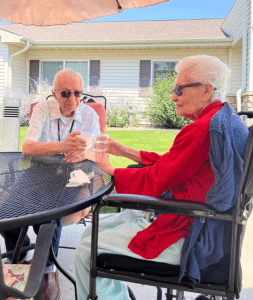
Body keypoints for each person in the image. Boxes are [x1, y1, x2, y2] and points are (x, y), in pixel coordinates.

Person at [75, 55, 249, 300]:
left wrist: (110, 169)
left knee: (85, 249)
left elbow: (157, 179)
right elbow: (174, 165)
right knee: (91, 231)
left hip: (188, 234)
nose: (173, 96)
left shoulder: (202, 129)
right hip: (206, 227)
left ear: (206, 90)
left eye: (179, 89)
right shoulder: (223, 119)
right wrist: (123, 150)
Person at [1, 68, 100, 300]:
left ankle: (47, 270)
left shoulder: (89, 115)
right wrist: (62, 147)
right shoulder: (42, 110)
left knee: (49, 216)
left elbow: (98, 154)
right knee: (8, 213)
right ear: (54, 93)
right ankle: (20, 254)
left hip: (71, 175)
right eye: (66, 93)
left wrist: (84, 153)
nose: (73, 99)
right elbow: (28, 148)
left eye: (78, 93)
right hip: (39, 171)